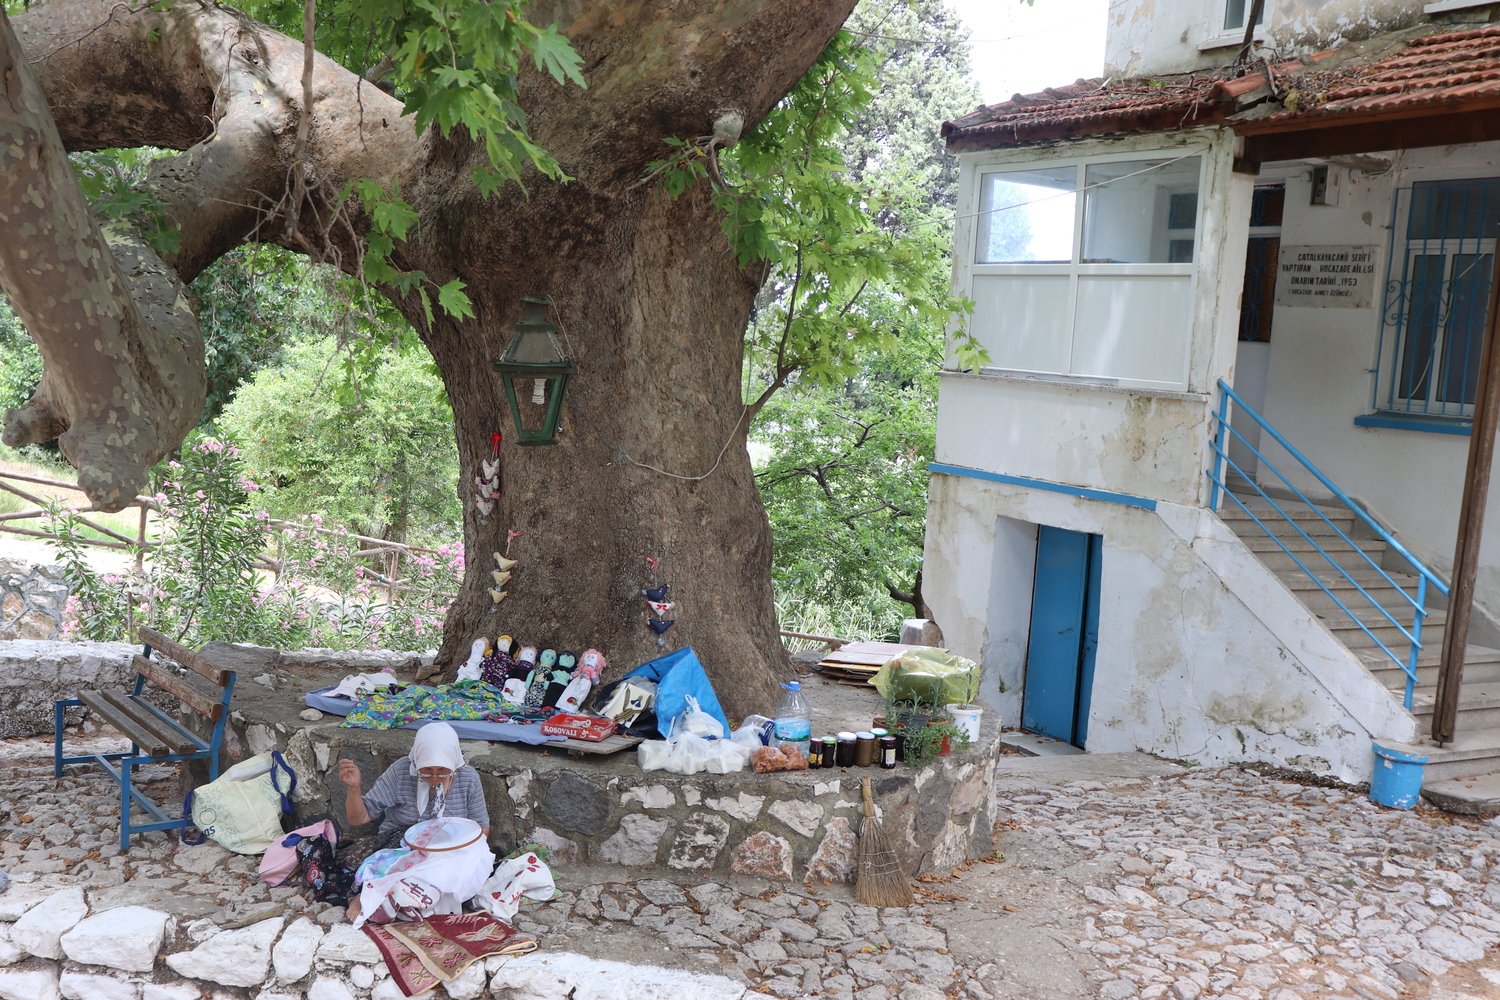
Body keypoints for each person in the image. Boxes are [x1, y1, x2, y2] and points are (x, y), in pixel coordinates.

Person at [337, 722, 491, 922]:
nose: (434, 778)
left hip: (449, 849)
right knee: (375, 865)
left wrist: (459, 846)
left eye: (442, 771)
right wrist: (354, 788)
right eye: (426, 771)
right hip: (403, 844)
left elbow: (482, 828)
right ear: (417, 762)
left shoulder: (468, 778)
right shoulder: (402, 772)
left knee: (476, 859)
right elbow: (359, 818)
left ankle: (406, 898)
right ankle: (375, 896)